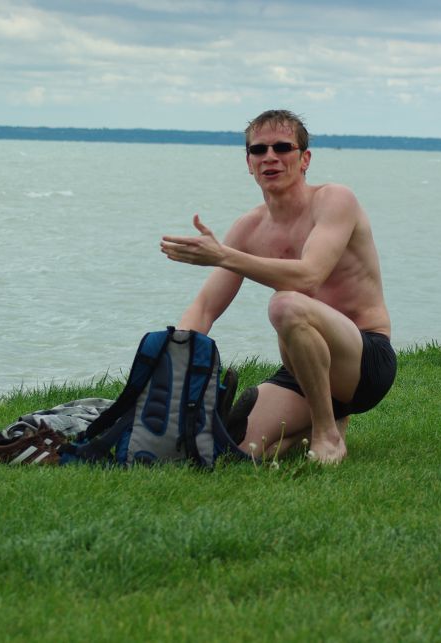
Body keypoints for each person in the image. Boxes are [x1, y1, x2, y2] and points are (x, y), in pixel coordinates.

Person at [160, 109, 395, 464]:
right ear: (248, 163)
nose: (270, 157)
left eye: (283, 147)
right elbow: (205, 307)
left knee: (285, 304)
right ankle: (313, 427)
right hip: (304, 369)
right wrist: (173, 365)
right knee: (230, 450)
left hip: (363, 363)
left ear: (305, 159)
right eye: (258, 150)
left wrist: (224, 256)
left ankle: (326, 432)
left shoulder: (335, 200)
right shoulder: (249, 227)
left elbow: (309, 276)